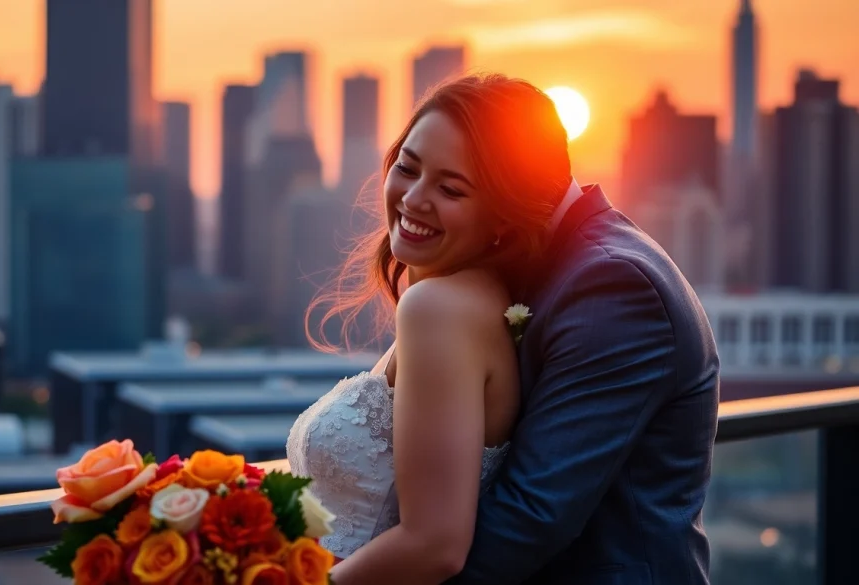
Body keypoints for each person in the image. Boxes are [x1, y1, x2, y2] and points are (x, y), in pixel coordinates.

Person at [286, 73, 719, 585]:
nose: (414, 199)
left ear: (506, 208)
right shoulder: (494, 275)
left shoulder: (612, 283)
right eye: (406, 166)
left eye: (451, 188)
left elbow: (530, 514)